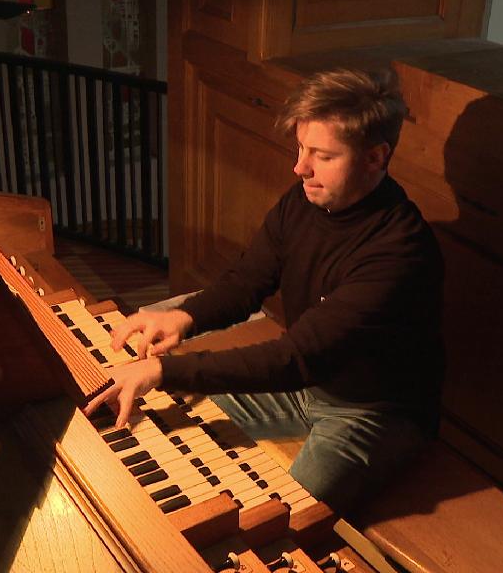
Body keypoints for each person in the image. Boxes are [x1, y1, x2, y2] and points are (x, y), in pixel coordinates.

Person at [83, 67, 443, 512]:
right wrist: (186, 317)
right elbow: (247, 280)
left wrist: (165, 370)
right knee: (153, 424)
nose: (300, 167)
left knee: (281, 515)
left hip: (373, 411)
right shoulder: (305, 199)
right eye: (301, 148)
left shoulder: (399, 253)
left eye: (322, 156)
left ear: (375, 158)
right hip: (305, 383)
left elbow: (296, 357)